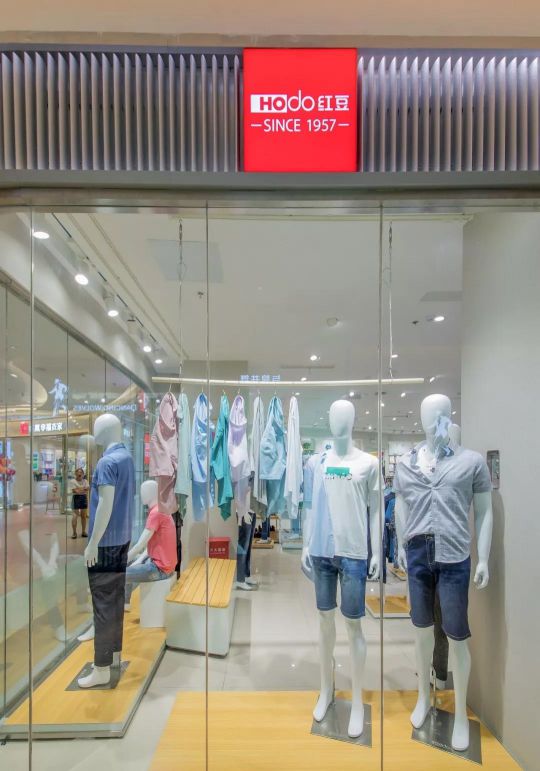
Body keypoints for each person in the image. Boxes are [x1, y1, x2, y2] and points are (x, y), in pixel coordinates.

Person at [124, 500, 177, 608]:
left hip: (160, 569)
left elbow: (139, 546)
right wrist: (138, 561)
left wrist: (118, 563)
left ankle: (112, 603)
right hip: (165, 565)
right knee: (130, 563)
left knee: (118, 575)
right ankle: (125, 603)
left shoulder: (156, 512)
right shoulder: (162, 509)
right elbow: (149, 548)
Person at [69, 467, 89, 538]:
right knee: (75, 516)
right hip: (76, 498)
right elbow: (75, 491)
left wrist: (78, 489)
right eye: (78, 472)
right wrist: (82, 489)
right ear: (75, 473)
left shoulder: (85, 481)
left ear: (83, 474)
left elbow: (87, 489)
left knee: (83, 516)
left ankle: (83, 532)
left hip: (84, 498)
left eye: (81, 472)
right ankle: (74, 533)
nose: (79, 474)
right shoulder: (72, 481)